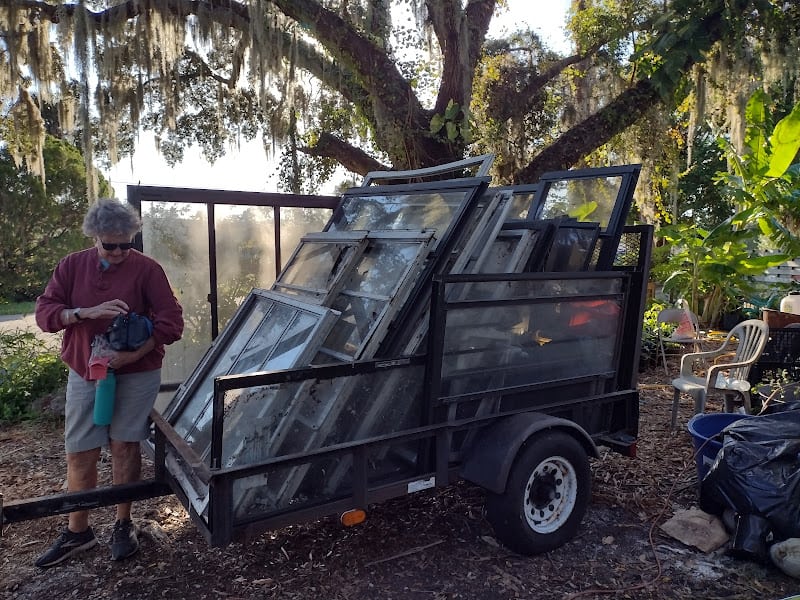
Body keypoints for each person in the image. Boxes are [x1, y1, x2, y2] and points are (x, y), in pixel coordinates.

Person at [34, 198, 183, 568]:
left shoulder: (148, 270)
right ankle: (78, 530)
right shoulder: (71, 266)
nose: (118, 252)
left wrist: (135, 354)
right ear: (95, 238)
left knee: (124, 446)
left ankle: (122, 522)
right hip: (86, 370)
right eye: (110, 244)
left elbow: (172, 322)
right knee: (80, 450)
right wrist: (83, 313)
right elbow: (45, 313)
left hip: (136, 371)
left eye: (126, 244)